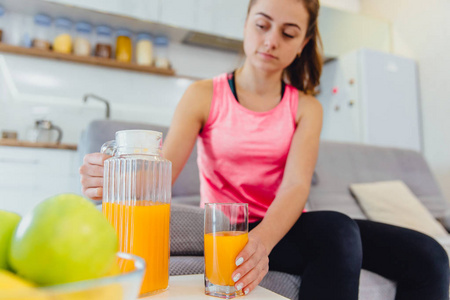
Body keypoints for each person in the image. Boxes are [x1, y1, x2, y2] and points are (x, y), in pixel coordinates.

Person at [79, 0, 450, 299]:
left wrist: (261, 243)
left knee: (429, 256)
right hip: (228, 226)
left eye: (288, 33)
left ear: (302, 43)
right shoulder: (203, 95)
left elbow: (295, 187)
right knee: (337, 230)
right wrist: (111, 176)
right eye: (262, 24)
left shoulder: (307, 107)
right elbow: (163, 173)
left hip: (282, 226)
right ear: (245, 25)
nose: (271, 40)